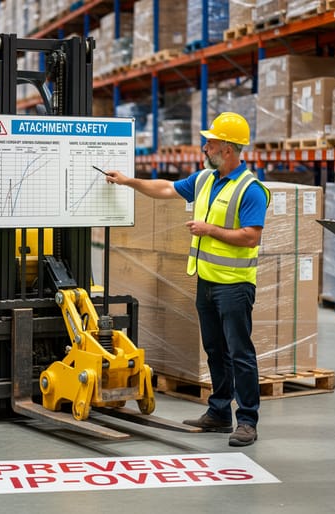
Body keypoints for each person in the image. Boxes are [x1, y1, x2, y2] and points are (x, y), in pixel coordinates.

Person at [105, 112, 269, 447]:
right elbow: (166, 188)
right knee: (215, 349)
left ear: (226, 148)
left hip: (235, 286)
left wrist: (209, 230)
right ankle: (220, 411)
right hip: (207, 281)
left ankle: (248, 420)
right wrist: (128, 182)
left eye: (211, 142)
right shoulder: (205, 180)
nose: (205, 146)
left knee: (240, 352)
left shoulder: (251, 189)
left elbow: (251, 237)